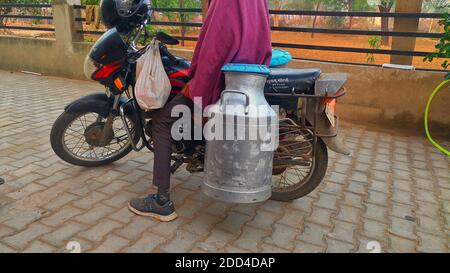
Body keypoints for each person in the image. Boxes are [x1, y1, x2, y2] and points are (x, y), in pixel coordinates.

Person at [128, 0, 273, 222]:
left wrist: (196, 87)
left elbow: (213, 51)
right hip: (249, 77)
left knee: (163, 122)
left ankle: (161, 201)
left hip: (223, 82)